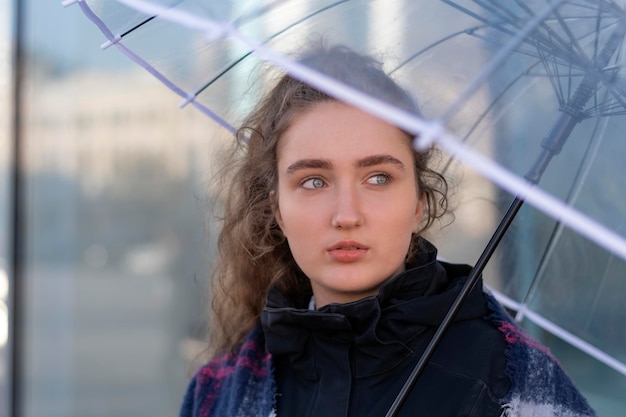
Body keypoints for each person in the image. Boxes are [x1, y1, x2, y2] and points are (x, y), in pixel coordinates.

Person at [179, 43, 596, 417]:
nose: (346, 215)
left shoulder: (517, 385)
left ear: (419, 204)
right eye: (313, 181)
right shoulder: (220, 392)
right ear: (278, 211)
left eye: (378, 178)